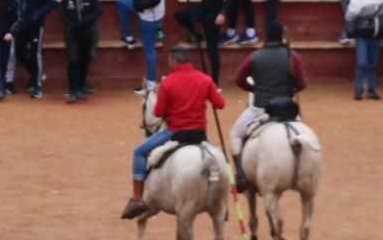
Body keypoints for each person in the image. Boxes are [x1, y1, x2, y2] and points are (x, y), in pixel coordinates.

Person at [121, 45, 225, 220]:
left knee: (138, 152)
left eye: (169, 61)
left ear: (174, 61)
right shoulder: (205, 79)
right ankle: (220, 201)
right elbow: (220, 104)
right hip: (200, 134)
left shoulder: (167, 83)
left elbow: (159, 112)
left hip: (175, 133)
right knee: (217, 158)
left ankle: (137, 199)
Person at [229, 20, 306, 165]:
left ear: (265, 36)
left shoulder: (255, 56)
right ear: (282, 37)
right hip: (287, 110)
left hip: (260, 109)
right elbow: (301, 84)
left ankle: (240, 172)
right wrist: (290, 90)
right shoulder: (292, 57)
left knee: (235, 135)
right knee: (305, 136)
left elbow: (238, 79)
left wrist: (254, 89)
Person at [117, 0, 166, 88]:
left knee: (149, 48)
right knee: (121, 4)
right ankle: (129, 38)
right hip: (143, 6)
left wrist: (139, 5)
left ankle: (151, 83)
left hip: (149, 15)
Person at [11, 0, 54, 98]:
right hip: (21, 23)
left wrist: (38, 14)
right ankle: (36, 75)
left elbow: (50, 3)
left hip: (35, 25)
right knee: (19, 52)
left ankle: (37, 86)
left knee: (36, 54)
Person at [57, 0, 100, 104]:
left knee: (84, 60)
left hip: (86, 31)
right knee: (73, 59)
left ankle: (81, 86)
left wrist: (85, 22)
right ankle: (72, 90)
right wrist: (72, 25)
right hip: (71, 32)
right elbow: (61, 13)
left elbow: (98, 11)